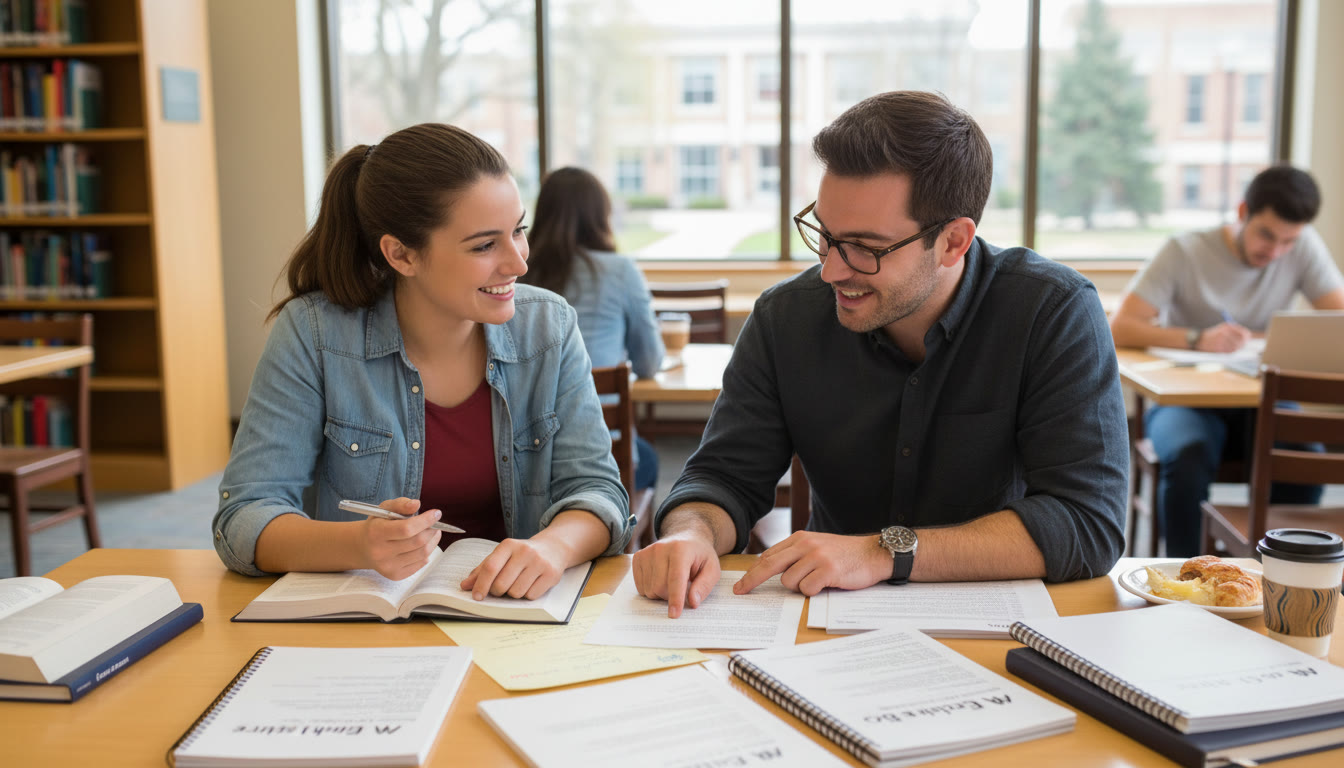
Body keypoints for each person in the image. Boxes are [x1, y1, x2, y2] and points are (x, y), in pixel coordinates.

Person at [632, 91, 1129, 617]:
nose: (831, 271)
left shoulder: (1051, 312)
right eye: (824, 234)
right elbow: (722, 479)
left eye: (865, 248)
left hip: (1004, 624)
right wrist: (692, 534)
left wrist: (879, 552)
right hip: (827, 619)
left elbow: (1088, 523)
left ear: (953, 243)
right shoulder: (786, 318)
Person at [213, 123, 630, 599]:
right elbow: (244, 516)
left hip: (512, 614)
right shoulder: (314, 334)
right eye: (484, 245)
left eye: (519, 230)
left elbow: (598, 491)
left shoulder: (549, 327)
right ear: (401, 255)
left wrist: (553, 547)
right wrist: (357, 544)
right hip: (366, 629)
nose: (519, 262)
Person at [1109, 165, 1344, 557]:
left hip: (1260, 399)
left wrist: (1258, 339)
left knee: (1305, 458)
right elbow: (1121, 328)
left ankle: (1278, 568)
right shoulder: (1185, 251)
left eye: (1289, 241)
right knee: (1188, 456)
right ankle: (1187, 575)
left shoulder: (1302, 247)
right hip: (1187, 401)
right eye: (1267, 235)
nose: (1276, 251)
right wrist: (1198, 338)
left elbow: (1337, 324)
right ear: (1242, 212)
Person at [522, 166, 664, 491]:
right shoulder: (619, 271)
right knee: (649, 459)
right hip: (604, 452)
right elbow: (649, 363)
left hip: (524, 455)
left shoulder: (515, 274)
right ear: (599, 215)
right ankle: (632, 534)